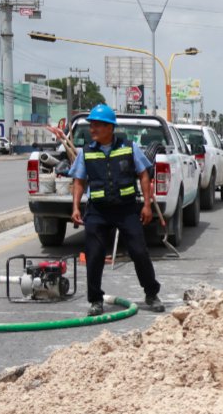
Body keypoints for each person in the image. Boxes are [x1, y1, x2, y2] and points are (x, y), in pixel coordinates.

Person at [68, 104, 165, 316]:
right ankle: (95, 300)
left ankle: (151, 293)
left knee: (139, 251)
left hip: (126, 209)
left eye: (97, 125)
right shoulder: (86, 153)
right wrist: (76, 206)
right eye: (91, 125)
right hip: (98, 211)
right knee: (94, 255)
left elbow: (144, 175)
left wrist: (147, 205)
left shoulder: (130, 148)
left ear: (110, 127)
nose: (92, 129)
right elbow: (79, 181)